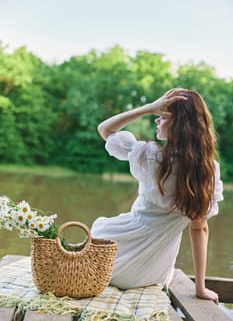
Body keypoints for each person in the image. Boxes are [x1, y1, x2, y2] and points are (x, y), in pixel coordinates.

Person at [91, 88, 223, 304]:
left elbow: (105, 129)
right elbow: (199, 229)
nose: (157, 121)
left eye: (161, 117)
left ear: (176, 124)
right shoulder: (208, 172)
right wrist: (201, 287)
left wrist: (147, 107)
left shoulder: (152, 158)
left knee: (97, 230)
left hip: (113, 256)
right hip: (152, 272)